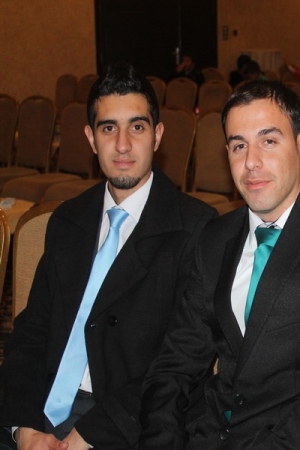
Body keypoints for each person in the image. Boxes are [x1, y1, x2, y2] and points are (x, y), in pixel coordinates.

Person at [139, 80, 300, 449]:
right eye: (239, 146)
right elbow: (175, 364)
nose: (251, 161)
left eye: (268, 141)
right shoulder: (214, 238)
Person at [0, 62, 217, 449]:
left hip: (128, 422)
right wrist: (24, 427)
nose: (122, 145)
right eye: (108, 128)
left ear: (158, 135)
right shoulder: (68, 220)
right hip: (40, 412)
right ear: (90, 138)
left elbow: (180, 361)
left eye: (137, 127)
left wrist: (91, 434)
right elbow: (32, 333)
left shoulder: (196, 229)